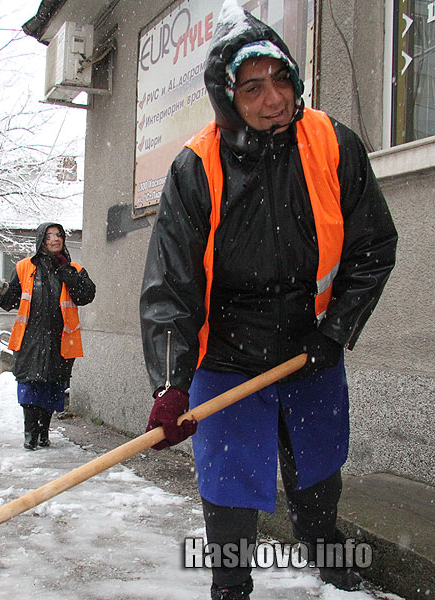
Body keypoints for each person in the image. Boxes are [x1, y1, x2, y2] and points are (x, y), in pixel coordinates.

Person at [139, 3, 397, 600]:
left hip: (311, 344)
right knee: (229, 482)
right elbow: (171, 285)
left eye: (281, 80)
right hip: (226, 353)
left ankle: (325, 551)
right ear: (227, 95)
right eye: (252, 87)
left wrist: (335, 331)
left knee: (318, 465)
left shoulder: (332, 144)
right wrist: (170, 384)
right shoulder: (195, 168)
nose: (273, 98)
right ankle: (231, 584)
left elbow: (373, 246)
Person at [0, 222, 96, 450]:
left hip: (60, 339)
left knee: (52, 385)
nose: (55, 239)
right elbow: (10, 303)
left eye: (59, 235)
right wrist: (3, 290)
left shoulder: (74, 269)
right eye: (50, 236)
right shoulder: (24, 268)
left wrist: (65, 271)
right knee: (29, 384)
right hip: (30, 338)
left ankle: (44, 431)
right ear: (41, 240)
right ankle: (30, 433)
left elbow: (85, 295)